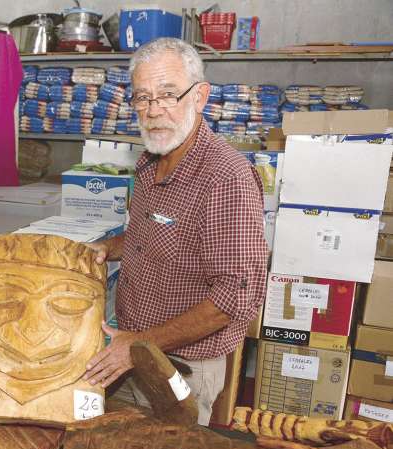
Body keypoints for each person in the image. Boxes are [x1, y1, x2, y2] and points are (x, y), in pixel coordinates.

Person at [84, 38, 268, 425]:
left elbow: (233, 298)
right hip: (131, 348)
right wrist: (108, 247)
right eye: (143, 98)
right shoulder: (152, 161)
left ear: (199, 97)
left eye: (168, 95)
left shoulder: (225, 177)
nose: (154, 112)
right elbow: (153, 234)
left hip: (181, 365)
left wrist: (139, 344)